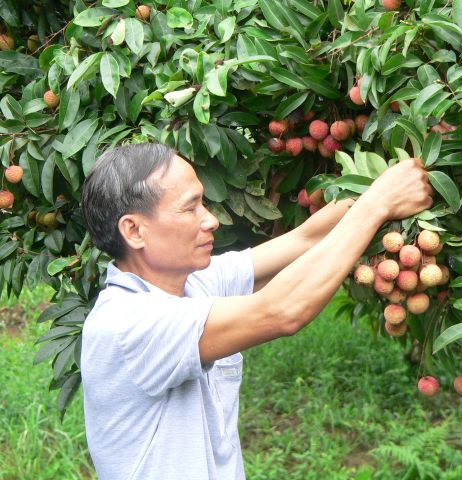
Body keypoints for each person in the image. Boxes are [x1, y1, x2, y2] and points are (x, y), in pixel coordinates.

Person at [80, 142, 431, 480]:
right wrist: (378, 205)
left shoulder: (193, 283)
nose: (211, 220)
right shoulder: (127, 324)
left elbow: (304, 240)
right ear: (134, 230)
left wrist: (383, 185)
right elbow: (281, 310)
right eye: (190, 208)